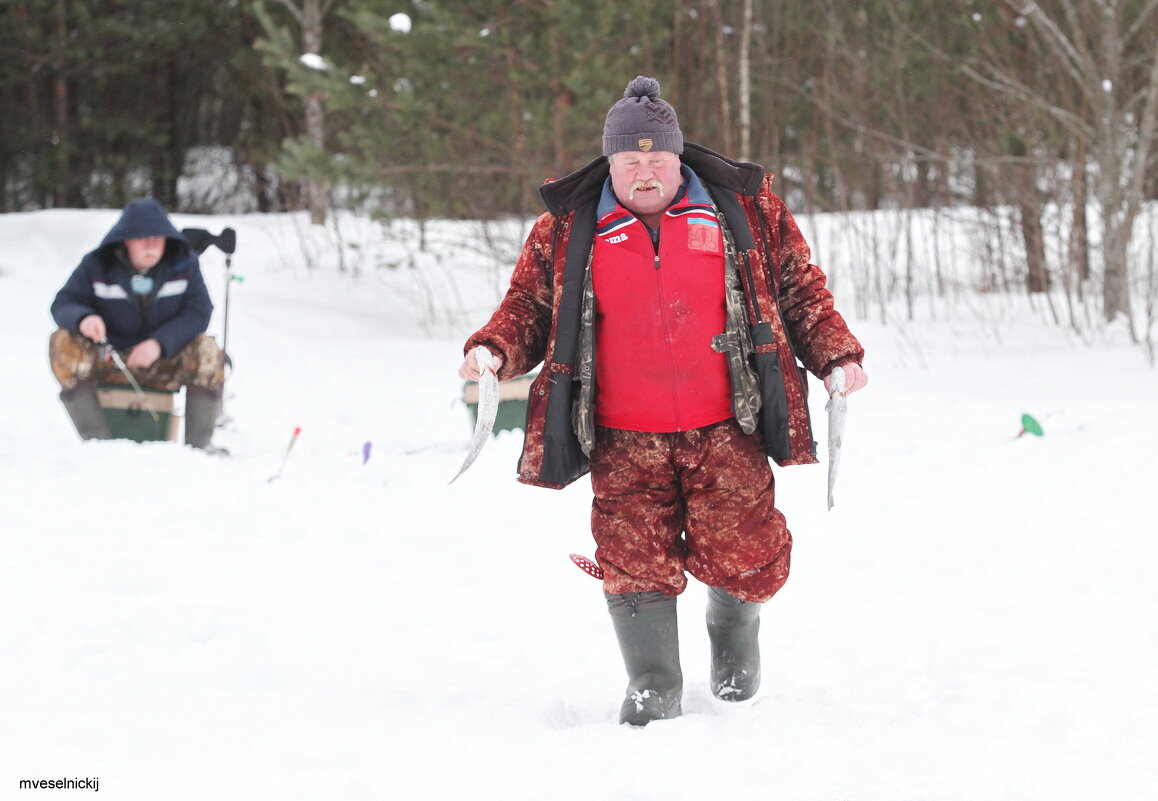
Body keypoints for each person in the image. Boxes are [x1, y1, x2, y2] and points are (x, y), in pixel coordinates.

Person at [458, 76, 868, 726]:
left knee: (743, 550)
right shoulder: (567, 227)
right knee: (633, 558)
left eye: (656, 160)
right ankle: (654, 683)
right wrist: (493, 349)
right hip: (622, 435)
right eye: (630, 161)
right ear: (610, 163)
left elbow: (800, 290)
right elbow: (528, 308)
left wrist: (836, 353)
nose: (644, 173)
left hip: (728, 425)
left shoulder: (743, 209)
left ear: (678, 158)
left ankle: (733, 637)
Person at [49, 197, 226, 450]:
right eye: (143, 238)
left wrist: (159, 344)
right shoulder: (96, 264)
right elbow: (64, 303)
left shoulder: (184, 263)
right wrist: (85, 319)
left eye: (158, 237)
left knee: (207, 349)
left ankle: (198, 448)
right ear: (126, 240)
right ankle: (98, 443)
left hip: (164, 361)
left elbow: (199, 311)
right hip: (111, 361)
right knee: (62, 341)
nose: (151, 244)